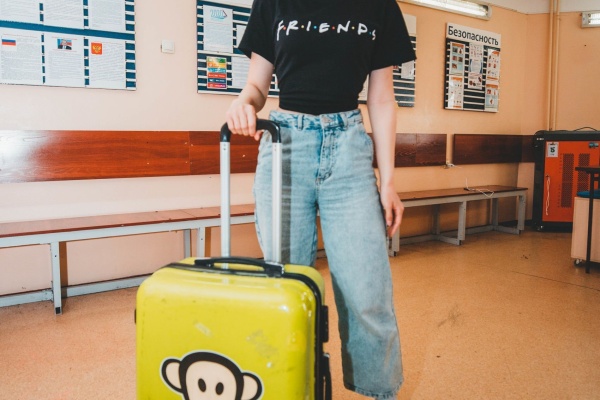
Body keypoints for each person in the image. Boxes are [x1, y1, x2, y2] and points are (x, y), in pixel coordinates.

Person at [226, 0, 416, 398]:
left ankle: (378, 391)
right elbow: (257, 86)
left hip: (349, 148)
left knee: (367, 293)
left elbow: (381, 98)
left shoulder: (380, 6)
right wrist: (243, 103)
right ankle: (290, 388)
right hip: (285, 147)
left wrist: (388, 182)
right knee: (287, 288)